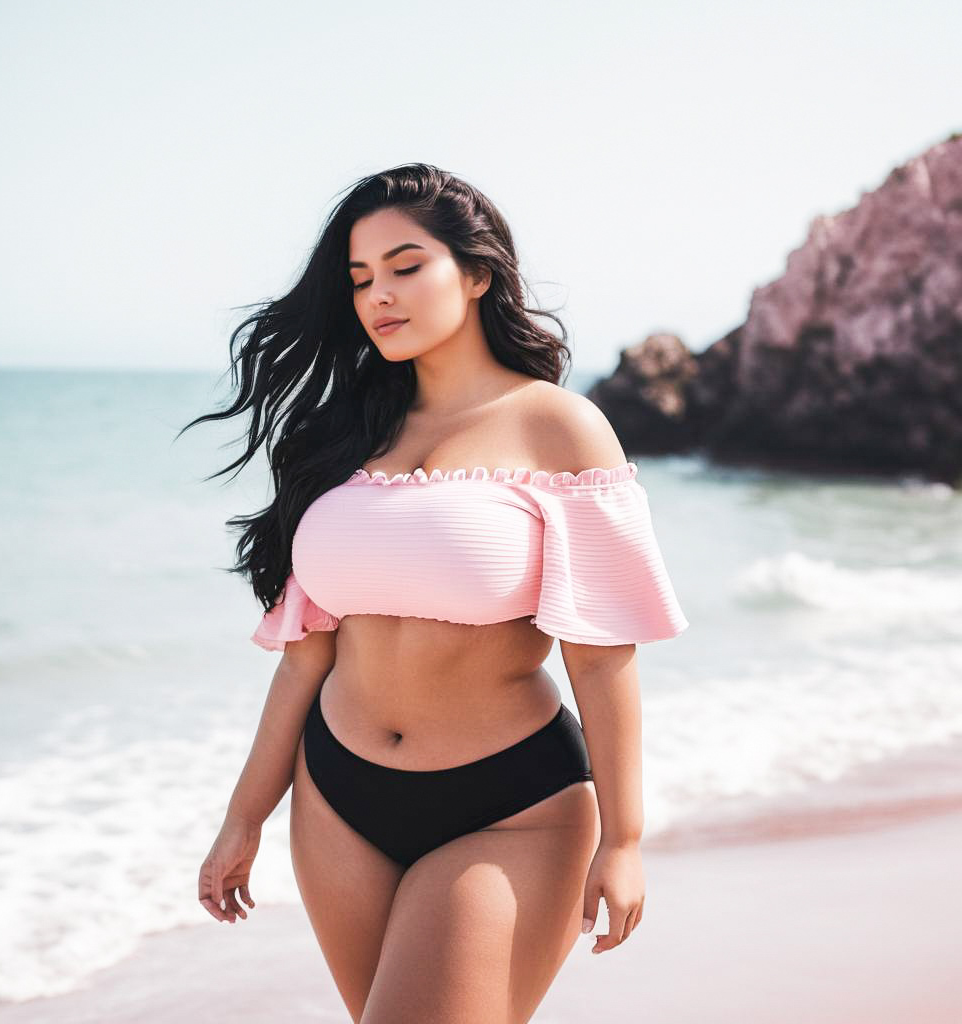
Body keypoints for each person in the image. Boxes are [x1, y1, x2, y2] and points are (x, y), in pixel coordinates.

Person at [182, 162, 689, 1024]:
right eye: (360, 279)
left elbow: (601, 660)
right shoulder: (342, 438)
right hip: (336, 797)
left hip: (511, 807)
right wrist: (243, 818)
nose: (379, 294)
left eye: (406, 266)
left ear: (478, 272)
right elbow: (305, 658)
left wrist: (626, 839)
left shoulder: (557, 425)